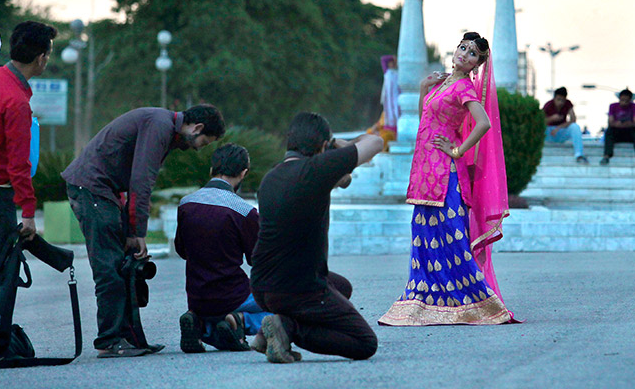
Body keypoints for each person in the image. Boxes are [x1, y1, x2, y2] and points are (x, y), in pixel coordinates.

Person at [62, 104, 225, 358]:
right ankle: (109, 340)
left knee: (123, 267)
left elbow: (133, 179)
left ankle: (128, 338)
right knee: (109, 268)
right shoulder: (159, 125)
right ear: (197, 128)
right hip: (92, 189)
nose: (197, 148)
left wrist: (131, 230)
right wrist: (138, 232)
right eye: (202, 142)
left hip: (104, 192)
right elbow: (141, 180)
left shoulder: (164, 129)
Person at [379, 32, 514, 326]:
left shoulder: (465, 87)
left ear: (478, 64)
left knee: (450, 235)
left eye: (473, 53)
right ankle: (424, 298)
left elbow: (484, 123)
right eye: (463, 48)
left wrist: (457, 150)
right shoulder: (443, 84)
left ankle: (469, 302)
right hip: (425, 168)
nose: (465, 54)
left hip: (444, 172)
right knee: (423, 232)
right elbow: (426, 119)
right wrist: (423, 89)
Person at [250, 112, 384, 363]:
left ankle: (270, 330)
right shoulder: (316, 169)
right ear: (322, 146)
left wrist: (332, 156)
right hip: (298, 289)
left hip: (262, 285)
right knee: (365, 343)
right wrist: (335, 145)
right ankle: (288, 329)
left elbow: (341, 180)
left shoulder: (272, 178)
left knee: (342, 287)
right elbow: (375, 143)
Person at [0, 21, 57, 354]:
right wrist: (29, 212)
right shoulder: (16, 101)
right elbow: (19, 166)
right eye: (48, 52)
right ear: (40, 57)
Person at [176, 143, 268, 354]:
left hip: (197, 296)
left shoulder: (186, 204)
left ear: (211, 170)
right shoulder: (244, 211)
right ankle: (240, 322)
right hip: (233, 295)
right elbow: (257, 259)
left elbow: (182, 250)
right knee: (285, 306)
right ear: (243, 173)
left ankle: (199, 323)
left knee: (214, 314)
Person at [542, 86, 587, 163]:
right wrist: (551, 119)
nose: (560, 103)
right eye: (558, 100)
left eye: (563, 100)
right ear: (554, 98)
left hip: (561, 131)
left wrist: (559, 127)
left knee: (575, 127)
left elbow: (573, 119)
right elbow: (539, 121)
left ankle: (579, 154)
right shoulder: (548, 105)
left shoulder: (568, 104)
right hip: (549, 132)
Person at [600, 89, 635, 165]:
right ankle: (606, 156)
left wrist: (624, 124)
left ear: (630, 100)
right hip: (617, 132)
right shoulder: (613, 106)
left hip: (629, 132)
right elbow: (610, 122)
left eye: (626, 101)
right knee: (609, 132)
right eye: (622, 100)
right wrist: (623, 124)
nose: (624, 102)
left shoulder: (634, 107)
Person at [380, 55, 400, 149]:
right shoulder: (388, 73)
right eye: (391, 62)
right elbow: (383, 59)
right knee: (390, 117)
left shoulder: (396, 74)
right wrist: (393, 57)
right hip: (389, 101)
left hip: (396, 101)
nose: (393, 64)